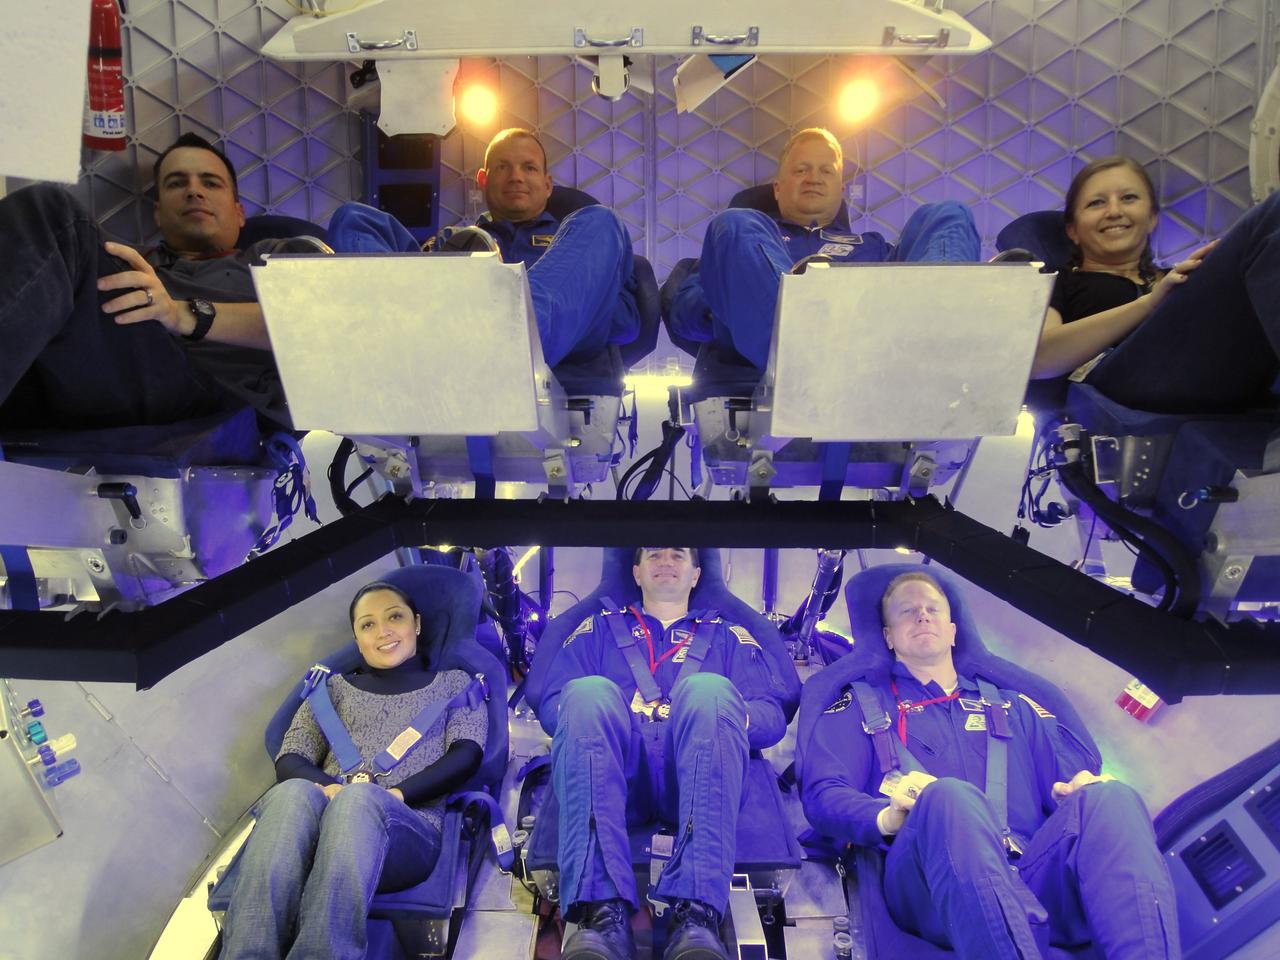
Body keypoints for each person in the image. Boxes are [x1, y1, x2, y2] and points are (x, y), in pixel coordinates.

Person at [799, 570, 1179, 959]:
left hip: (1027, 868)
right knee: (948, 796)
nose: (923, 616)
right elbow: (823, 794)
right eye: (907, 611)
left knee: (1112, 796)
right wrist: (886, 819)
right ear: (888, 638)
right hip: (926, 880)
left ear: (952, 631)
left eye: (933, 609)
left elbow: (1068, 782)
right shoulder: (860, 706)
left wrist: (1079, 787)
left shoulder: (1015, 706)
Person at [535, 548, 792, 960]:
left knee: (709, 691)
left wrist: (719, 714)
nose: (666, 561)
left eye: (678, 555)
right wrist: (613, 714)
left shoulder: (729, 635)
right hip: (619, 777)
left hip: (699, 773)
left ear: (695, 575)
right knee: (585, 693)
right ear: (635, 571)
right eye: (654, 554)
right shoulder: (595, 630)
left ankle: (696, 916)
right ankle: (601, 917)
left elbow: (770, 712)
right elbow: (552, 704)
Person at [217, 580, 488, 960]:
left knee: (360, 801)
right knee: (288, 793)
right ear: (358, 638)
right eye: (368, 625)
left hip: (409, 828)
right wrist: (330, 790)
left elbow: (467, 753)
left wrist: (392, 795)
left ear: (417, 624)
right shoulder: (330, 689)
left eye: (394, 617)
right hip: (328, 809)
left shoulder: (454, 684)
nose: (383, 631)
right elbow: (290, 757)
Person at [0, 132, 296, 431]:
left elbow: (324, 321)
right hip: (86, 380)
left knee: (58, 219)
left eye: (210, 182)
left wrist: (182, 314)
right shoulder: (125, 263)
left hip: (219, 405)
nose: (194, 191)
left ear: (239, 212)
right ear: (158, 212)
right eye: (177, 183)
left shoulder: (268, 256)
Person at [663, 127, 982, 370]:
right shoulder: (744, 239)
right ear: (777, 188)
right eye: (800, 170)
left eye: (825, 171)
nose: (813, 178)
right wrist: (737, 293)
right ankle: (796, 332)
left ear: (841, 189)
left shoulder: (873, 248)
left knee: (947, 213)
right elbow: (684, 315)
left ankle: (939, 333)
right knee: (735, 222)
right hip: (781, 364)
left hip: (878, 352)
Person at [327, 127, 641, 368]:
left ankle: (518, 328)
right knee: (354, 218)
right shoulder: (454, 240)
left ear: (548, 185)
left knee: (602, 218)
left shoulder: (580, 243)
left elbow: (627, 322)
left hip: (545, 347)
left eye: (529, 168)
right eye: (503, 167)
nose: (516, 176)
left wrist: (566, 297)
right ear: (483, 179)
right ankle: (393, 339)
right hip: (447, 335)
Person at [1028, 154, 1280, 413]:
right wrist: (1149, 304)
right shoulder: (1059, 280)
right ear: (1072, 230)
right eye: (1096, 203)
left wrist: (1212, 275)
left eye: (1129, 198)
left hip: (1215, 368)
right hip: (1117, 382)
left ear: (1151, 217)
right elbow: (1040, 357)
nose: (1114, 211)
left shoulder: (1174, 277)